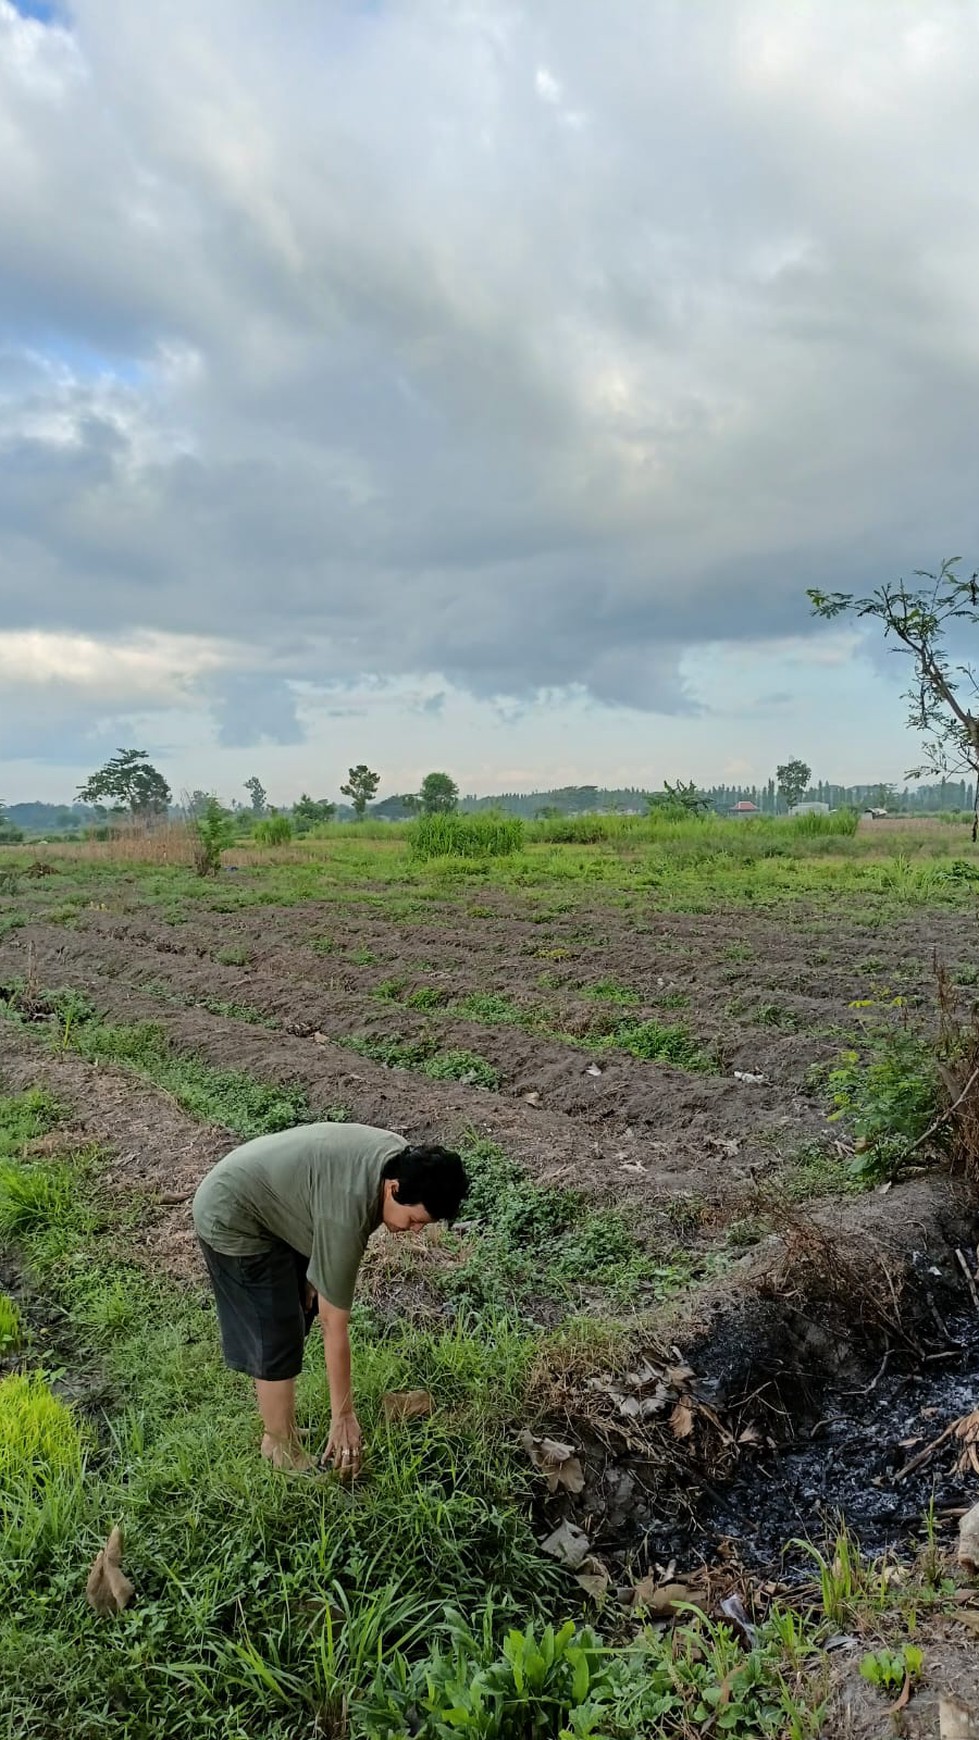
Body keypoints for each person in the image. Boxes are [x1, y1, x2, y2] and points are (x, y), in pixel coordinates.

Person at [192, 1122, 468, 1473]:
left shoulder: (399, 1160)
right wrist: (343, 1415)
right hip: (233, 1214)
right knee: (275, 1327)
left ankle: (282, 1427)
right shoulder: (349, 1208)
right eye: (415, 1220)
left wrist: (313, 1274)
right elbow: (334, 1326)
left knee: (294, 1313)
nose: (414, 1231)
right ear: (395, 1189)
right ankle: (279, 1446)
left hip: (277, 1203)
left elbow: (321, 1201)